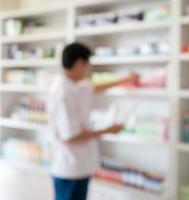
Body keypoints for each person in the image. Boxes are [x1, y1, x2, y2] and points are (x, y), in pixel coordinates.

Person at [47, 42, 139, 200]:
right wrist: (108, 130)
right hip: (69, 168)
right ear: (78, 63)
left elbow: (94, 88)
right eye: (87, 64)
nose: (88, 69)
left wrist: (126, 79)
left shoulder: (74, 85)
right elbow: (71, 135)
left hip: (78, 166)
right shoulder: (62, 92)